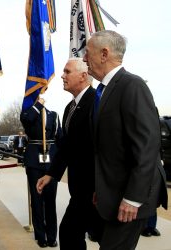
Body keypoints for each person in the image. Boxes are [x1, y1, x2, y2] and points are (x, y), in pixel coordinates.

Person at [83, 30, 168, 249]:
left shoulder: (132, 85)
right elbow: (109, 149)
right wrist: (101, 190)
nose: (84, 59)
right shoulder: (105, 90)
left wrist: (133, 198)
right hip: (113, 192)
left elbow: (147, 147)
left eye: (87, 52)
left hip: (133, 196)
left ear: (104, 54)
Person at [37, 58, 103, 249]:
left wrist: (101, 186)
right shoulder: (70, 107)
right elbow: (67, 146)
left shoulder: (96, 102)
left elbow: (103, 149)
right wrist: (51, 174)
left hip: (95, 190)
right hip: (80, 190)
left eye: (67, 72)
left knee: (104, 239)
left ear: (83, 76)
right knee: (70, 233)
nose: (62, 76)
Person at [20, 94, 62, 248]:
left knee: (50, 200)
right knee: (37, 200)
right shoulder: (28, 114)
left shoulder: (54, 115)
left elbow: (60, 138)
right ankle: (40, 235)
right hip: (34, 162)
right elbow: (27, 120)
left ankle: (52, 236)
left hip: (50, 162)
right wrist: (37, 106)